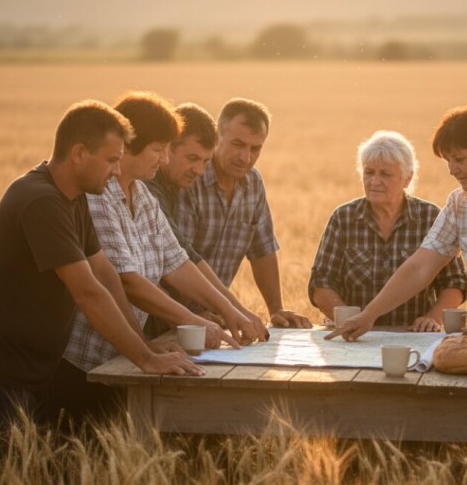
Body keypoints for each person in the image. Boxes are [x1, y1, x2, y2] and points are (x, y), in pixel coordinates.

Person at [0, 100, 202, 449]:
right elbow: (88, 292)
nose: (116, 172)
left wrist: (144, 347)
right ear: (79, 153)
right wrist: (145, 359)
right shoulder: (41, 201)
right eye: (112, 160)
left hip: (35, 373)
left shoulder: (73, 197)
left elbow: (106, 276)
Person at [55, 93, 269, 423]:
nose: (165, 158)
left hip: (129, 355)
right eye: (159, 149)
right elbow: (127, 281)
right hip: (83, 361)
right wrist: (195, 321)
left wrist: (230, 309)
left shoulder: (142, 195)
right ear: (129, 145)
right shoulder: (99, 196)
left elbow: (178, 262)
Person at [327, 106, 467, 341]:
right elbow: (420, 267)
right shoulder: (459, 204)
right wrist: (369, 315)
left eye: (459, 159)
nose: (452, 170)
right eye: (448, 161)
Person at [308, 130, 467, 331]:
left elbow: (455, 282)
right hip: (355, 338)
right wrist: (349, 321)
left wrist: (432, 318)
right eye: (369, 172)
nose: (375, 181)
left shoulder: (430, 217)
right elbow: (321, 282)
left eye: (385, 174)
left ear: (407, 179)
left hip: (413, 335)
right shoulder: (343, 218)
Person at [173, 98, 311, 328]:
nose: (245, 157)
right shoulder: (190, 178)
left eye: (255, 148)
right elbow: (177, 260)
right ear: (217, 136)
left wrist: (275, 309)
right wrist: (192, 316)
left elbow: (262, 251)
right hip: (171, 315)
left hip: (219, 317)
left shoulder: (253, 183)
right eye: (238, 144)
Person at [145, 103, 268, 337]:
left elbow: (180, 256)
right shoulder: (146, 187)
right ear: (167, 147)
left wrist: (235, 310)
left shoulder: (171, 184)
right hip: (123, 335)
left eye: (204, 161)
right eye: (193, 158)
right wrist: (226, 311)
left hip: (165, 325)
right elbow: (177, 260)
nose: (200, 170)